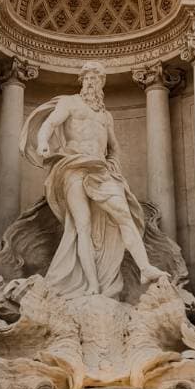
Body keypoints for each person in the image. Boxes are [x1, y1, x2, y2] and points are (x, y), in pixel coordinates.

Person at [20, 61, 165, 299]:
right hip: (74, 167)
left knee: (125, 215)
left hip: (100, 170)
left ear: (101, 84)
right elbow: (50, 123)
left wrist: (114, 165)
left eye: (95, 78)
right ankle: (92, 285)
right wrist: (44, 141)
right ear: (82, 81)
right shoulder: (70, 103)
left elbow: (114, 147)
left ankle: (145, 268)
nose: (90, 81)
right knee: (82, 226)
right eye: (87, 77)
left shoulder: (106, 116)